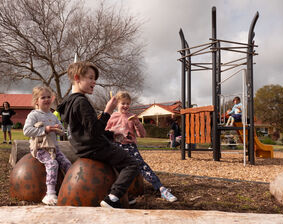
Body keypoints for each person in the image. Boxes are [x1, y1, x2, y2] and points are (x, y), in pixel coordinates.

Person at [57, 61, 139, 209]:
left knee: (118, 159)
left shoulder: (69, 102)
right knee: (132, 163)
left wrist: (110, 134)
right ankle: (112, 198)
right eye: (90, 78)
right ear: (77, 78)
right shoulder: (81, 102)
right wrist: (108, 111)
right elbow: (95, 131)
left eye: (95, 79)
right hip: (94, 147)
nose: (94, 82)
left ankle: (125, 194)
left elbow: (85, 130)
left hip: (82, 147)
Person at [106, 91, 177, 203]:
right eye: (123, 103)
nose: (125, 106)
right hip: (117, 147)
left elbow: (142, 135)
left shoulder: (133, 117)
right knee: (118, 170)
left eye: (128, 103)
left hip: (130, 146)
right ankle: (124, 195)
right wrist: (114, 131)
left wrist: (137, 123)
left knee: (142, 165)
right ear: (117, 104)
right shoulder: (112, 117)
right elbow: (105, 132)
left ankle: (161, 189)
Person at [23, 86, 72, 205]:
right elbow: (26, 131)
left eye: (48, 97)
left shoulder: (53, 115)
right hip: (40, 148)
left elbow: (61, 129)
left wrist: (59, 129)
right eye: (43, 97)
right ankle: (50, 193)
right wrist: (45, 129)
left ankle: (70, 188)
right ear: (36, 101)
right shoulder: (33, 115)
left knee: (67, 164)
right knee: (52, 163)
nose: (46, 99)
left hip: (54, 148)